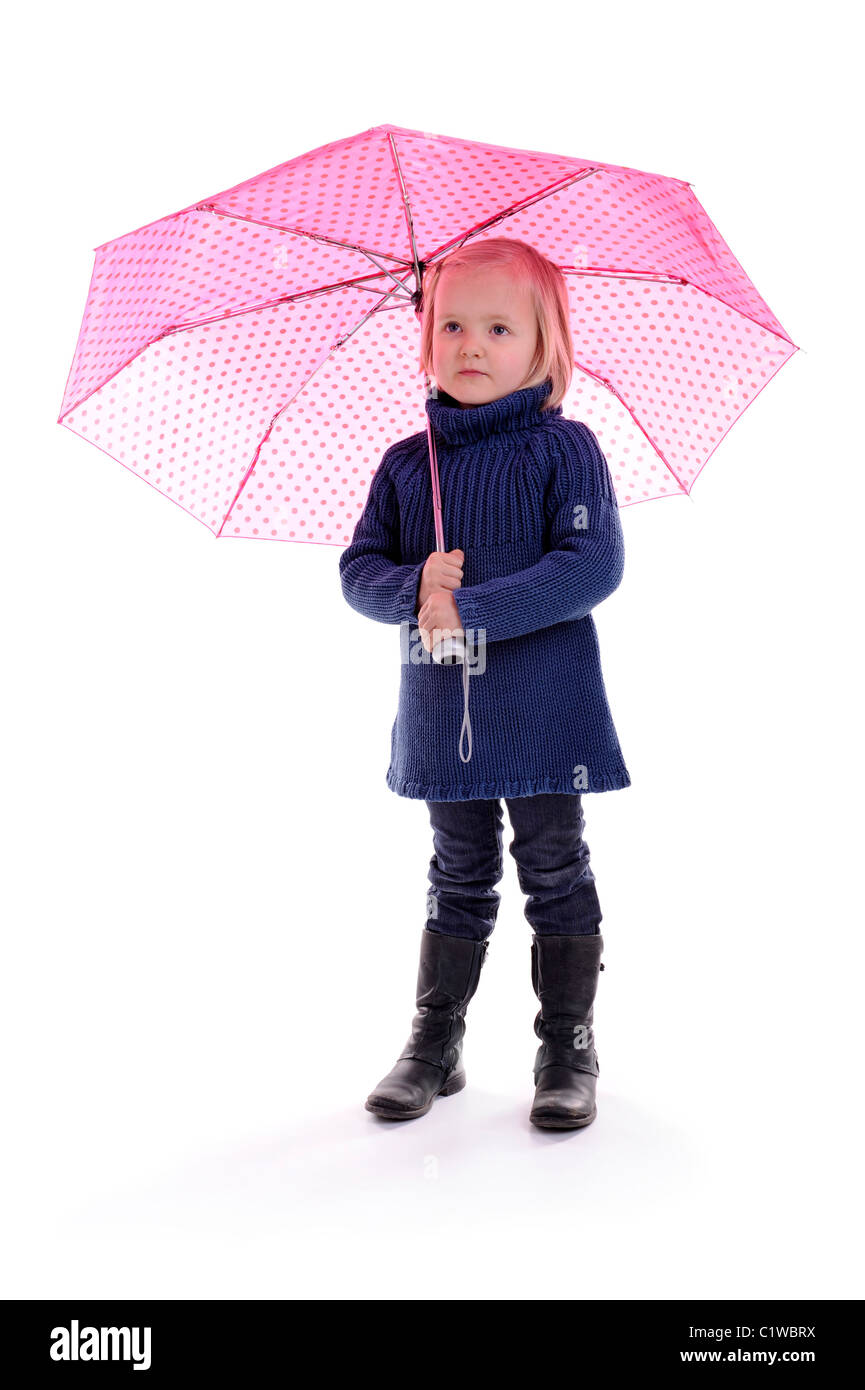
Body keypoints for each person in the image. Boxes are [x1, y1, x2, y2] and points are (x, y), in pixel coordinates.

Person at [338, 237, 630, 1130]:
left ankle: (566, 1044)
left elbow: (591, 566)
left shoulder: (563, 450)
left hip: (544, 707)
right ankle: (435, 1040)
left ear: (543, 347)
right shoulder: (404, 466)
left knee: (553, 862)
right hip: (443, 708)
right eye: (451, 323)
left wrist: (473, 610)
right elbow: (357, 571)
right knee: (457, 869)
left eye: (498, 327)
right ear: (422, 334)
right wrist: (414, 587)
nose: (471, 344)